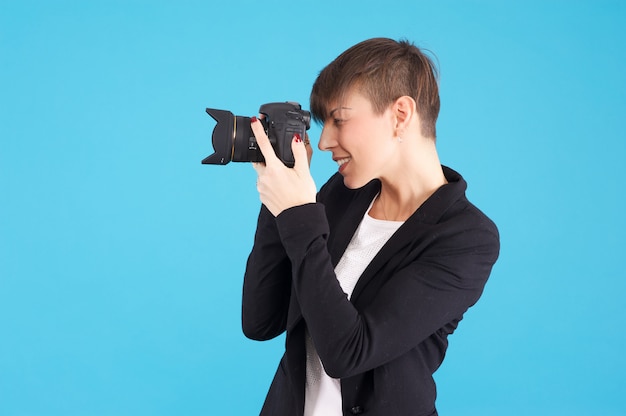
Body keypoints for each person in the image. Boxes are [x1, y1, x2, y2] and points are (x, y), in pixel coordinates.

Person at [242, 37, 500, 416]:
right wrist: (279, 198)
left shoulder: (466, 238)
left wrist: (298, 212)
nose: (326, 140)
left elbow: (348, 352)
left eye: (339, 119)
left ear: (400, 115)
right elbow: (260, 321)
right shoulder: (341, 195)